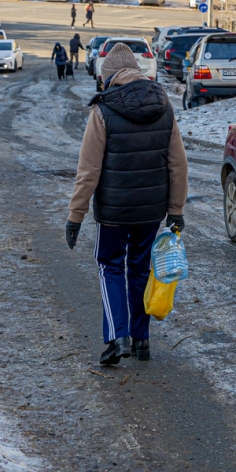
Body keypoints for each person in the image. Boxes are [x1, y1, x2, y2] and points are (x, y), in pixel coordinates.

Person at [66, 43, 188, 366]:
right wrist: (176, 212)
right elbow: (179, 165)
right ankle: (141, 340)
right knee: (138, 269)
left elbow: (88, 171)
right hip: (151, 212)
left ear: (109, 78)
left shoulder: (102, 111)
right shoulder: (164, 106)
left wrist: (75, 216)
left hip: (114, 214)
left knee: (109, 266)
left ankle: (116, 337)